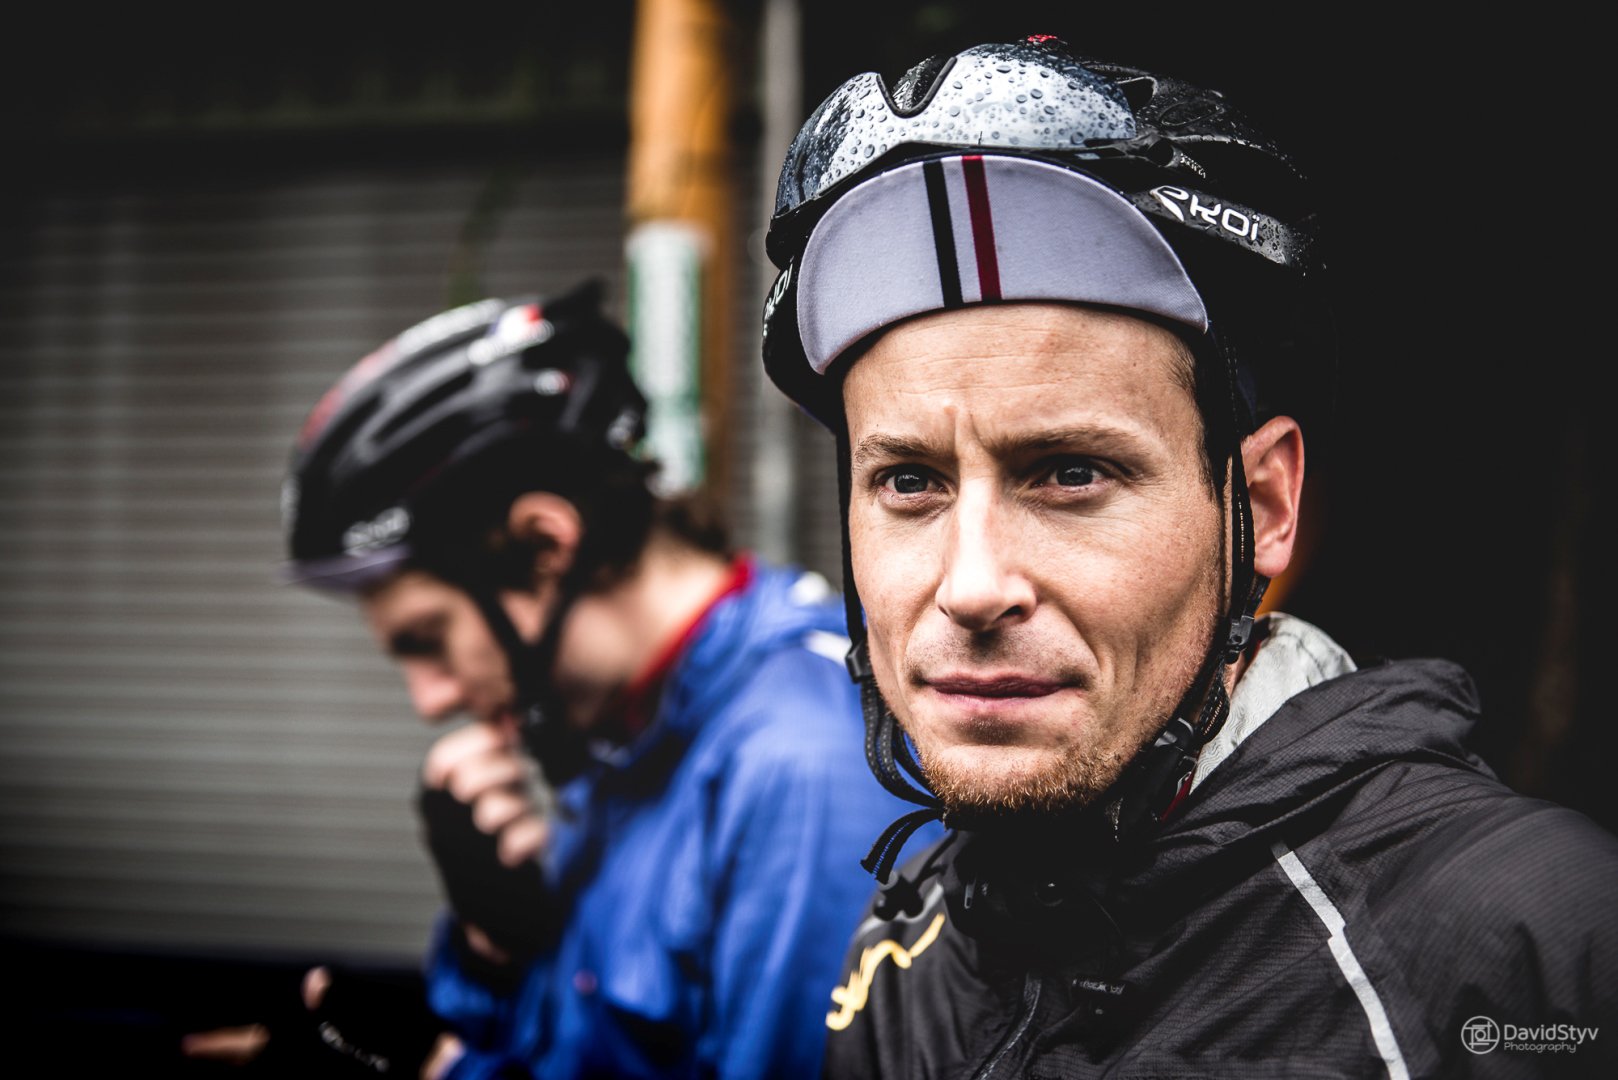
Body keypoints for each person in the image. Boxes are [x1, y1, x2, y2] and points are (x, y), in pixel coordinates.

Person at [759, 37, 1618, 1079]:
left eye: (1070, 473)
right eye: (908, 482)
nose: (973, 586)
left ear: (1262, 505)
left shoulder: (1536, 945)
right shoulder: (905, 951)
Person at [196, 281, 933, 1079]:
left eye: (429, 640)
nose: (431, 700)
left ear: (546, 546)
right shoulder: (623, 722)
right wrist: (496, 950)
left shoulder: (804, 769)